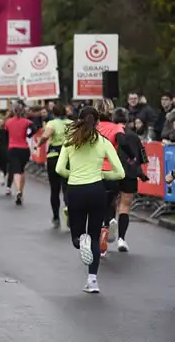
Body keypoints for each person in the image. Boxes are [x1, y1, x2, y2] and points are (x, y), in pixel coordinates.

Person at [55, 106, 125, 293]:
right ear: (97, 122)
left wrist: (73, 174)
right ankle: (92, 280)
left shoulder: (69, 141)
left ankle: (80, 241)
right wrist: (101, 174)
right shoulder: (103, 142)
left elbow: (59, 169)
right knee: (94, 235)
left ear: (78, 119)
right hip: (96, 190)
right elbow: (120, 173)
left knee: (77, 235)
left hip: (75, 190)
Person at [94, 99, 133, 256]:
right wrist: (131, 157)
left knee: (96, 208)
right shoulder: (117, 128)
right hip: (111, 173)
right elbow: (124, 144)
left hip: (93, 173)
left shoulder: (91, 127)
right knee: (110, 203)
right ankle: (108, 223)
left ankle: (99, 240)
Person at [111, 108, 149, 253]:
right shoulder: (134, 136)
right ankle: (121, 238)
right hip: (130, 173)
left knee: (110, 203)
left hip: (112, 172)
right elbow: (143, 157)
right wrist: (140, 172)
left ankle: (109, 225)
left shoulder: (110, 133)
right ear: (127, 120)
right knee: (125, 206)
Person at [34, 104, 72, 228]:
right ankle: (68, 207)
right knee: (67, 186)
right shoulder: (72, 123)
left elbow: (45, 136)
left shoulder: (52, 123)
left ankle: (56, 217)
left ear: (54, 113)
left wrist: (38, 144)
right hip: (69, 157)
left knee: (54, 189)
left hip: (54, 156)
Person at [5, 102, 38, 205]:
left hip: (13, 148)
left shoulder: (8, 122)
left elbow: (6, 133)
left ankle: (18, 190)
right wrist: (29, 135)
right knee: (22, 170)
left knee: (16, 171)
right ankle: (21, 192)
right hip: (24, 148)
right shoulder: (27, 122)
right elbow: (35, 128)